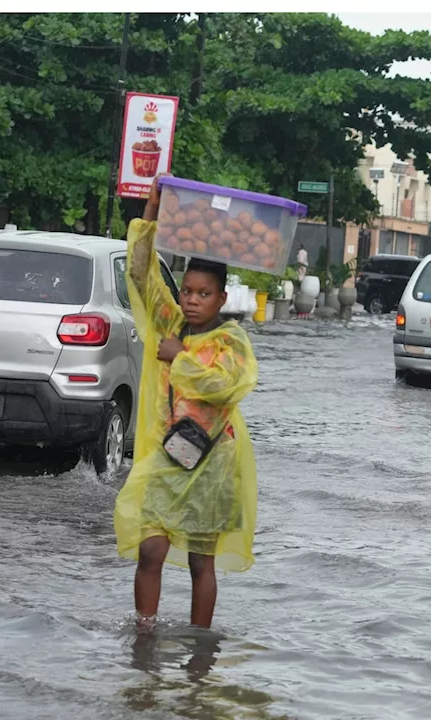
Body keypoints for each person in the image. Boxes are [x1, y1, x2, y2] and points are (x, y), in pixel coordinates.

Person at [114, 177, 260, 629]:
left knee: (202, 562)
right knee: (150, 547)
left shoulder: (231, 340)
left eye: (204, 294)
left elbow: (225, 387)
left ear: (221, 298)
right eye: (188, 291)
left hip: (214, 463)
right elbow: (141, 273)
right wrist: (152, 208)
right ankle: (144, 632)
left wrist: (180, 360)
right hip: (169, 453)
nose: (193, 300)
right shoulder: (170, 322)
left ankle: (200, 647)